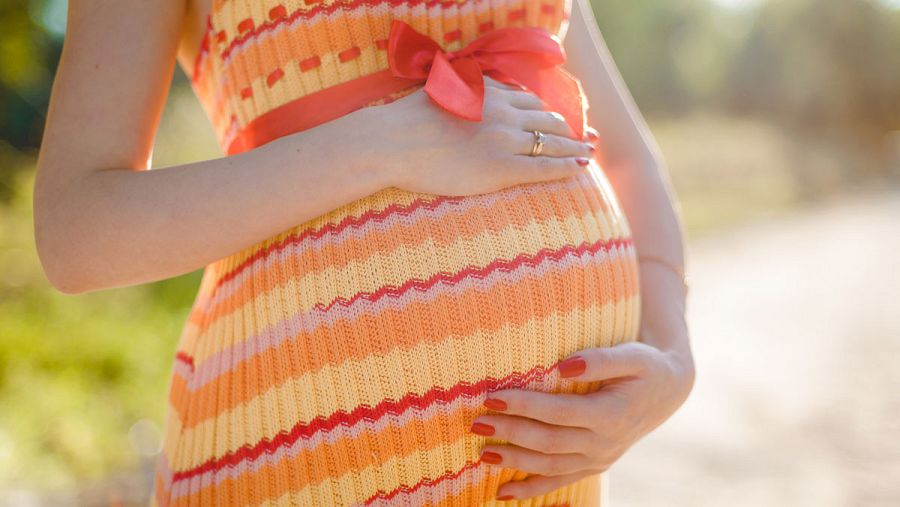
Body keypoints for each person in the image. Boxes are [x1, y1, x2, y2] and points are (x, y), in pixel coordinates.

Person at [33, 0, 695, 504]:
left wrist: (671, 355)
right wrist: (384, 145)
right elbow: (75, 232)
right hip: (296, 463)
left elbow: (628, 155)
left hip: (548, 478)